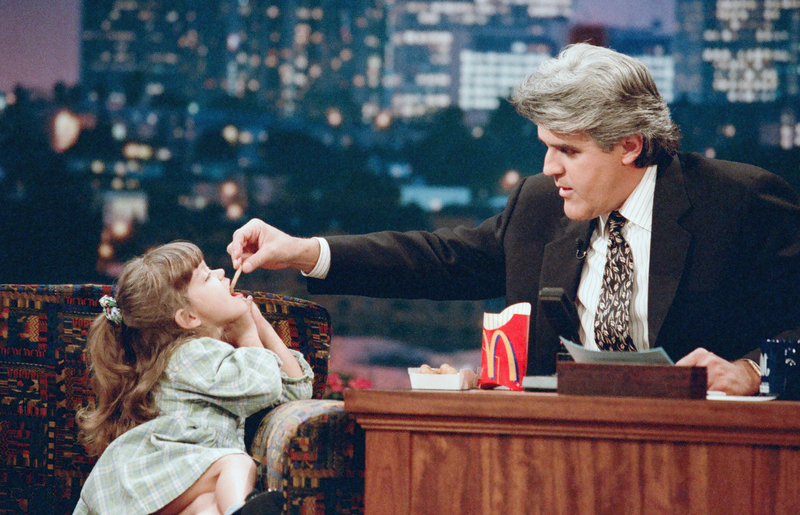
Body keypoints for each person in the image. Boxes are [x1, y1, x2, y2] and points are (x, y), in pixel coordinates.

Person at [227, 43, 800, 397]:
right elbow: (438, 260)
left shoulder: (740, 203)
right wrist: (302, 251)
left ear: (629, 145)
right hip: (550, 457)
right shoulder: (539, 206)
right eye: (545, 146)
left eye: (568, 151)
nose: (548, 168)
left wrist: (755, 371)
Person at [73, 242, 314, 515]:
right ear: (188, 317)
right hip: (154, 475)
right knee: (237, 463)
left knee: (208, 506)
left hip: (181, 483)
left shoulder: (224, 359)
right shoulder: (190, 354)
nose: (222, 272)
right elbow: (264, 383)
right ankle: (240, 511)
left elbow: (296, 393)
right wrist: (247, 334)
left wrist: (260, 326)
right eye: (208, 276)